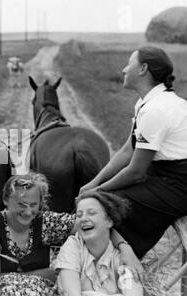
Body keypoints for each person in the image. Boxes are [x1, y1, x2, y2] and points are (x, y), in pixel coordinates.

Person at [80, 46, 187, 258]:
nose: (123, 69)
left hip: (178, 185)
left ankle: (119, 261)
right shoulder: (147, 103)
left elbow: (136, 172)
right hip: (163, 177)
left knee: (107, 204)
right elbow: (128, 150)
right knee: (102, 197)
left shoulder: (156, 110)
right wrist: (94, 182)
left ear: (143, 69)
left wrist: (98, 191)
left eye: (129, 63)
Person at [0, 173, 144, 296]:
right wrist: (45, 272)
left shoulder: (47, 222)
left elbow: (94, 225)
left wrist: (125, 247)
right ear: (5, 200)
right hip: (7, 293)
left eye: (34, 205)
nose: (28, 212)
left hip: (42, 291)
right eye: (21, 205)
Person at [55, 191, 144, 296]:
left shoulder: (123, 258)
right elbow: (71, 295)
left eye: (91, 213)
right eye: (79, 215)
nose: (83, 219)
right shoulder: (72, 247)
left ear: (109, 221)